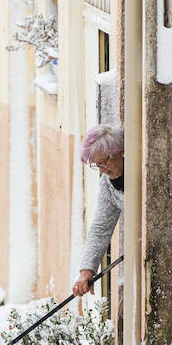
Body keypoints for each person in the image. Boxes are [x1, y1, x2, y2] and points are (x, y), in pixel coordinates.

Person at [72, 124, 124, 298]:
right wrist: (87, 269)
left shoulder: (141, 170)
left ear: (120, 152)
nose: (102, 170)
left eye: (104, 162)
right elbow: (101, 228)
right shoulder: (108, 184)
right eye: (97, 165)